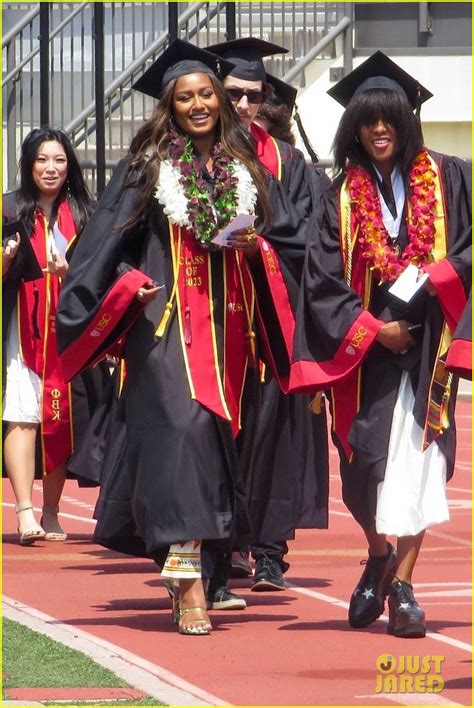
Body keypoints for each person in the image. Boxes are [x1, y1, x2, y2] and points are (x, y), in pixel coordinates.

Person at [56, 40, 300, 636]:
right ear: (170, 106)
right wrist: (125, 287)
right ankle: (187, 580)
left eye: (206, 95)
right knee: (183, 438)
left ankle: (198, 566)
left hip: (229, 329)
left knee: (215, 448)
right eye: (185, 97)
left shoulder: (245, 168)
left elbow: (287, 239)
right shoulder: (147, 167)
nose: (197, 105)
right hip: (165, 327)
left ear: (220, 101)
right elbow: (101, 250)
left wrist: (258, 247)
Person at [290, 52, 471, 638]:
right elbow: (320, 279)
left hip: (426, 350)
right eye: (368, 119)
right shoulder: (338, 195)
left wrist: (441, 279)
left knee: (420, 467)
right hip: (366, 354)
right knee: (362, 470)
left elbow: (470, 249)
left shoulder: (449, 176)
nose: (379, 128)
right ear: (355, 127)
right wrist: (371, 329)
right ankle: (376, 550)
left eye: (390, 116)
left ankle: (405, 587)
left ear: (407, 119)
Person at [206, 38, 330, 594]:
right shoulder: (194, 157)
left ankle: (270, 552)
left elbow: (312, 233)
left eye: (254, 96)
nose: (245, 105)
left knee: (276, 435)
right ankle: (222, 543)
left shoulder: (291, 164)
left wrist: (263, 245)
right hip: (213, 318)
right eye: (234, 93)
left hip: (274, 319)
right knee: (221, 434)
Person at [2, 127, 96, 545]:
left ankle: (52, 511)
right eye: (42, 159)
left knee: (58, 417)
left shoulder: (85, 213)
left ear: (69, 164)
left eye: (58, 160)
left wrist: (70, 274)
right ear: (28, 164)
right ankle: (25, 511)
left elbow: (100, 272)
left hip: (69, 331)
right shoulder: (8, 210)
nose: (50, 168)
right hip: (21, 330)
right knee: (22, 415)